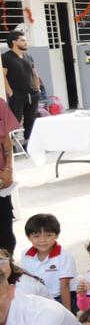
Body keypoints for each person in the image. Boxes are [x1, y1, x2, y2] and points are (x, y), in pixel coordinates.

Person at [1, 30, 40, 140]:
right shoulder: (5, 57)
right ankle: (10, 146)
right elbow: (3, 76)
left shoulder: (28, 56)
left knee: (31, 122)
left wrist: (37, 89)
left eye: (26, 40)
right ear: (14, 42)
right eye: (22, 40)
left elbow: (34, 73)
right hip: (17, 96)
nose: (26, 42)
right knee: (14, 123)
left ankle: (29, 144)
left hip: (33, 95)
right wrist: (10, 92)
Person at [0, 98, 22, 252]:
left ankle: (7, 263)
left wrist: (8, 169)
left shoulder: (0, 104)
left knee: (5, 233)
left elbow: (6, 139)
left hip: (2, 181)